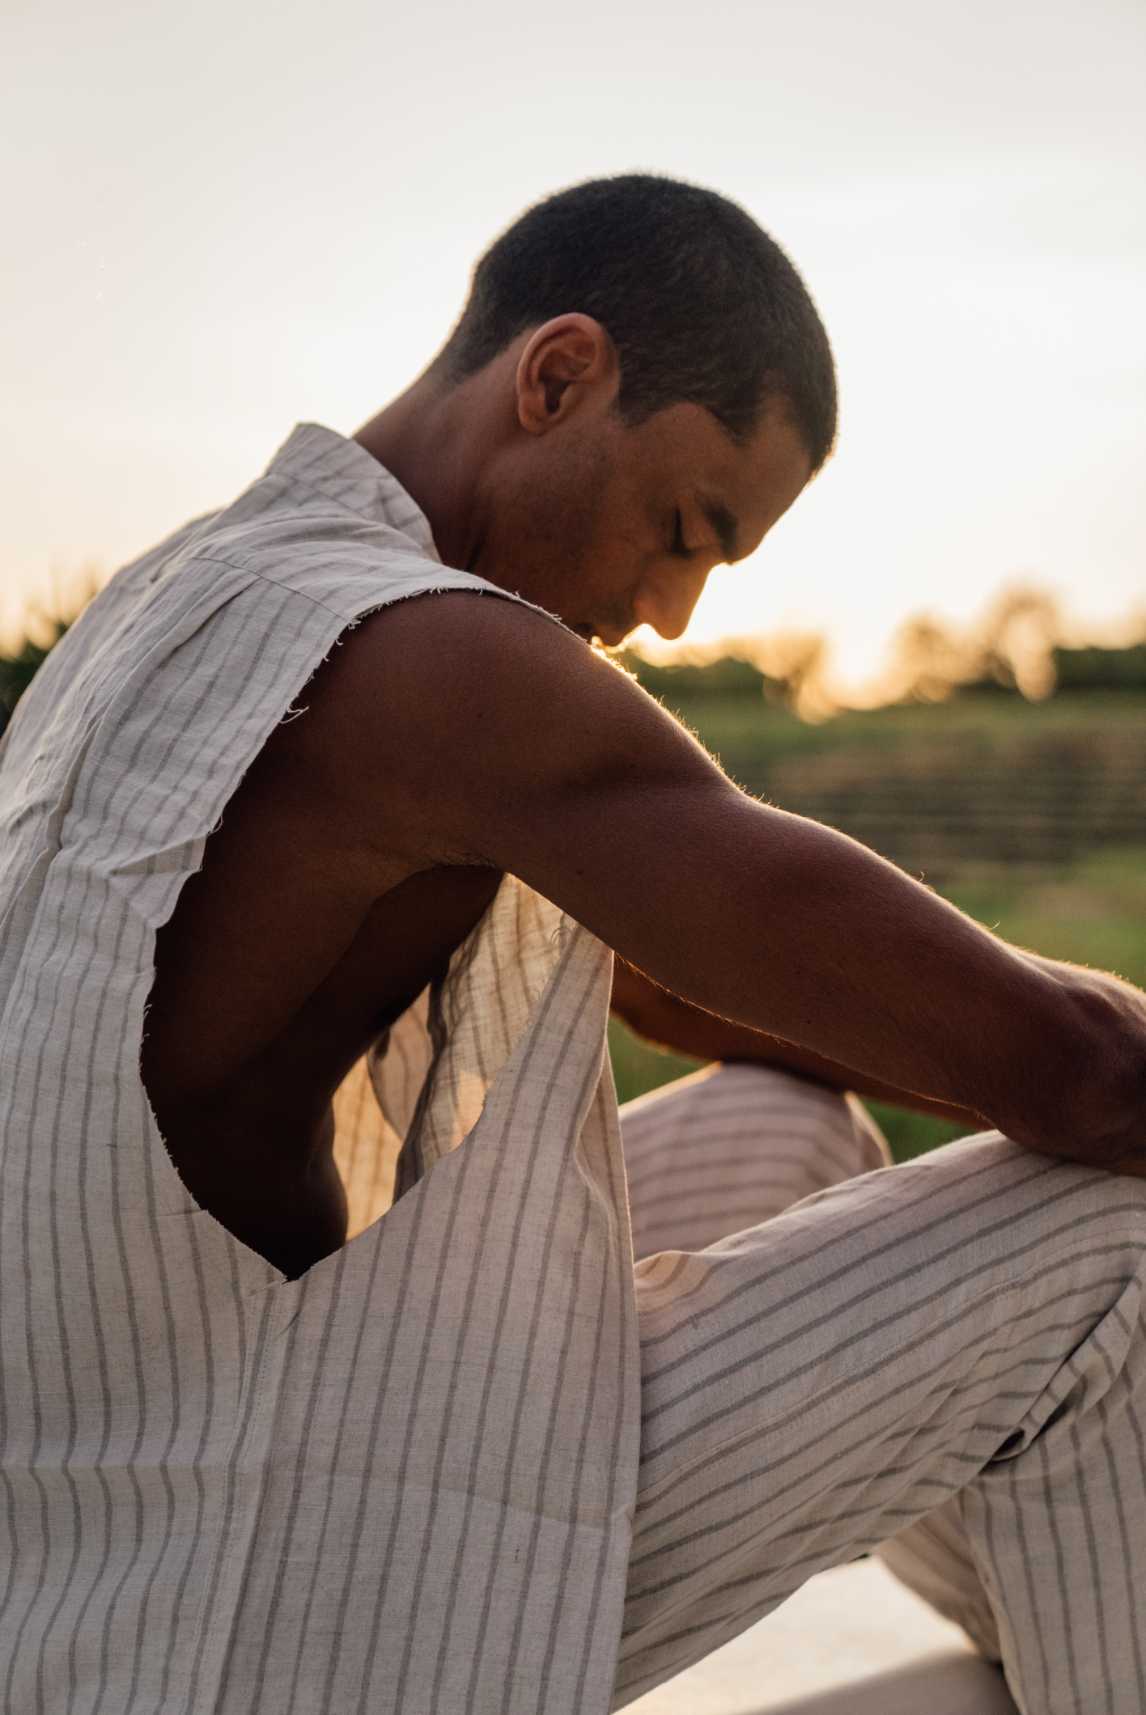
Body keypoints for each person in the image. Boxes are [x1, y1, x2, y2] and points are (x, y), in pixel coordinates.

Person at [1, 171, 1144, 1715]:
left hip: (89, 1489)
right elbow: (1077, 1078)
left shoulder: (183, 592)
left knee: (778, 1124)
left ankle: (1048, 1578)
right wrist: (1075, 1038)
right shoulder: (434, 660)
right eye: (683, 531)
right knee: (1117, 1253)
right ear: (556, 378)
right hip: (259, 1585)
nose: (669, 612)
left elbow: (678, 986)